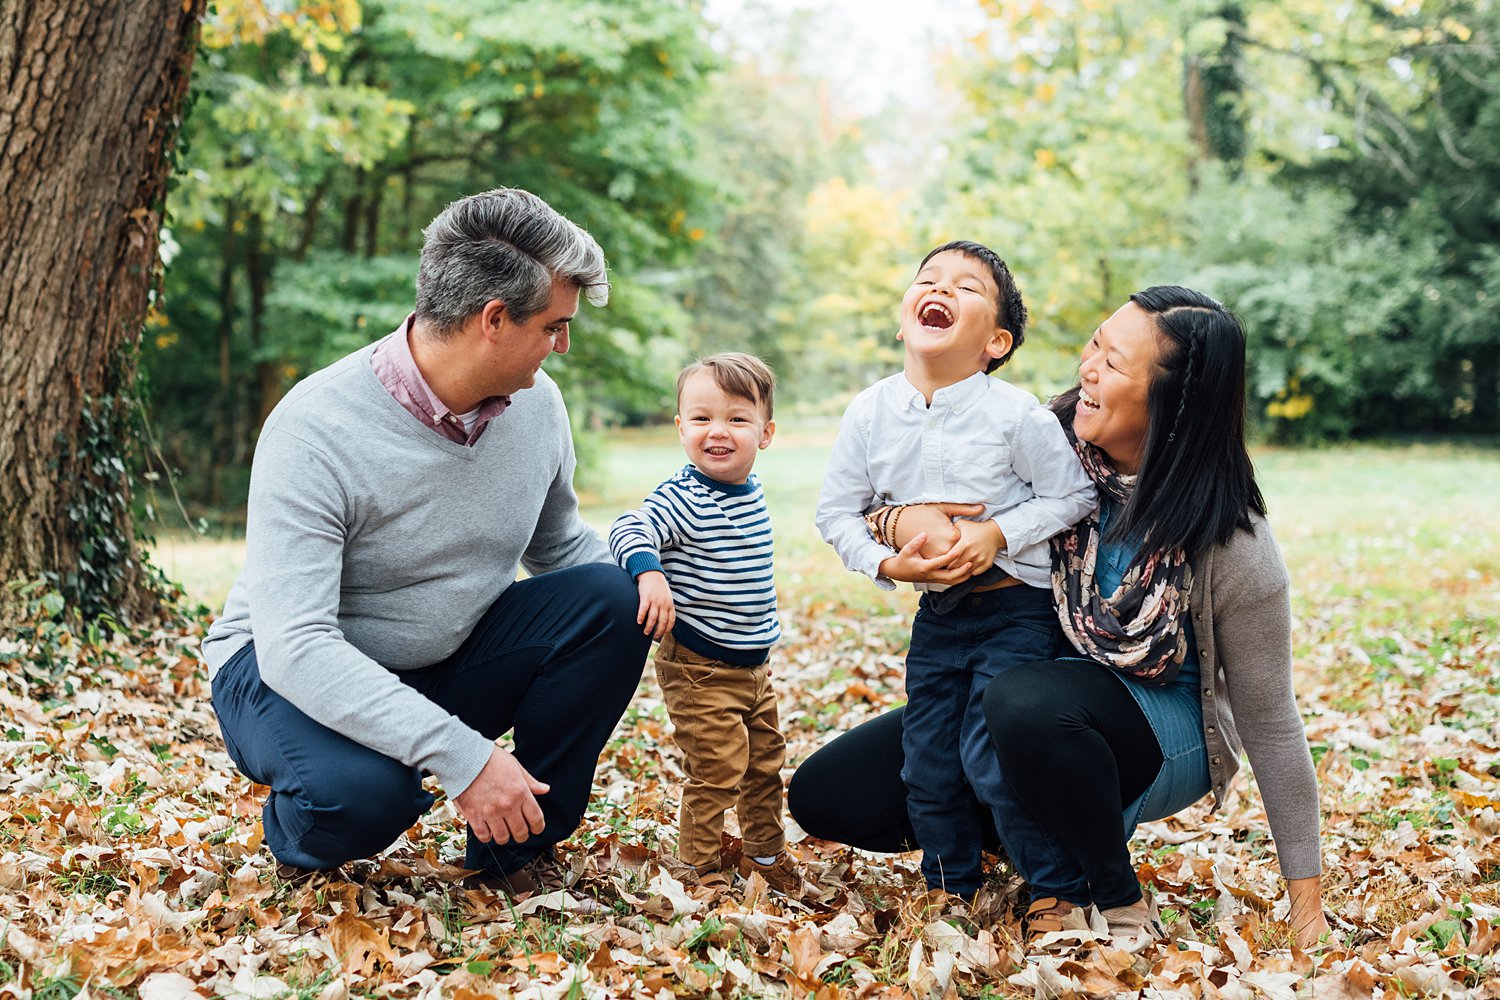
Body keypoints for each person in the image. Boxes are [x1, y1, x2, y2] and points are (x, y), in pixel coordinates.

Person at [790, 286, 1333, 951]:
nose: (1088, 368)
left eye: (1114, 362)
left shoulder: (1233, 540)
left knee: (1021, 700)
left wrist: (1306, 906)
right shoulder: (1040, 446)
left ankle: (1107, 884)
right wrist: (897, 522)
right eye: (1095, 344)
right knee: (827, 794)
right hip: (1027, 694)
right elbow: (888, 497)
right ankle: (1032, 835)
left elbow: (1272, 724)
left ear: (1172, 401)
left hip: (1163, 727)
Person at [202, 188, 651, 901]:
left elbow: (561, 545)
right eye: (555, 326)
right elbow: (297, 645)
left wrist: (656, 592)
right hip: (279, 669)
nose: (564, 344)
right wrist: (465, 757)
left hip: (442, 658)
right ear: (494, 320)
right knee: (363, 797)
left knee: (612, 599)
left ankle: (514, 850)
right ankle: (303, 828)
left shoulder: (538, 405)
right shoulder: (314, 430)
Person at [814, 241, 1095, 899]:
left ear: (996, 341)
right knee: (929, 764)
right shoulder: (870, 412)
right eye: (929, 279)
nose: (941, 289)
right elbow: (836, 513)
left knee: (994, 759)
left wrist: (996, 532)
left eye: (966, 287)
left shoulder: (1015, 414)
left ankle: (1058, 890)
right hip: (938, 620)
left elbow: (1073, 496)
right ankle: (950, 891)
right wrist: (887, 560)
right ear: (903, 317)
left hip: (1016, 614)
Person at [609, 353, 815, 898]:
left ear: (765, 433)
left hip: (754, 665)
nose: (717, 432)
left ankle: (765, 855)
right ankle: (697, 868)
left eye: (736, 419)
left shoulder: (751, 492)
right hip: (700, 665)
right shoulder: (682, 496)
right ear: (681, 428)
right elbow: (631, 526)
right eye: (701, 418)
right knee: (718, 769)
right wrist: (649, 573)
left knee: (765, 765)